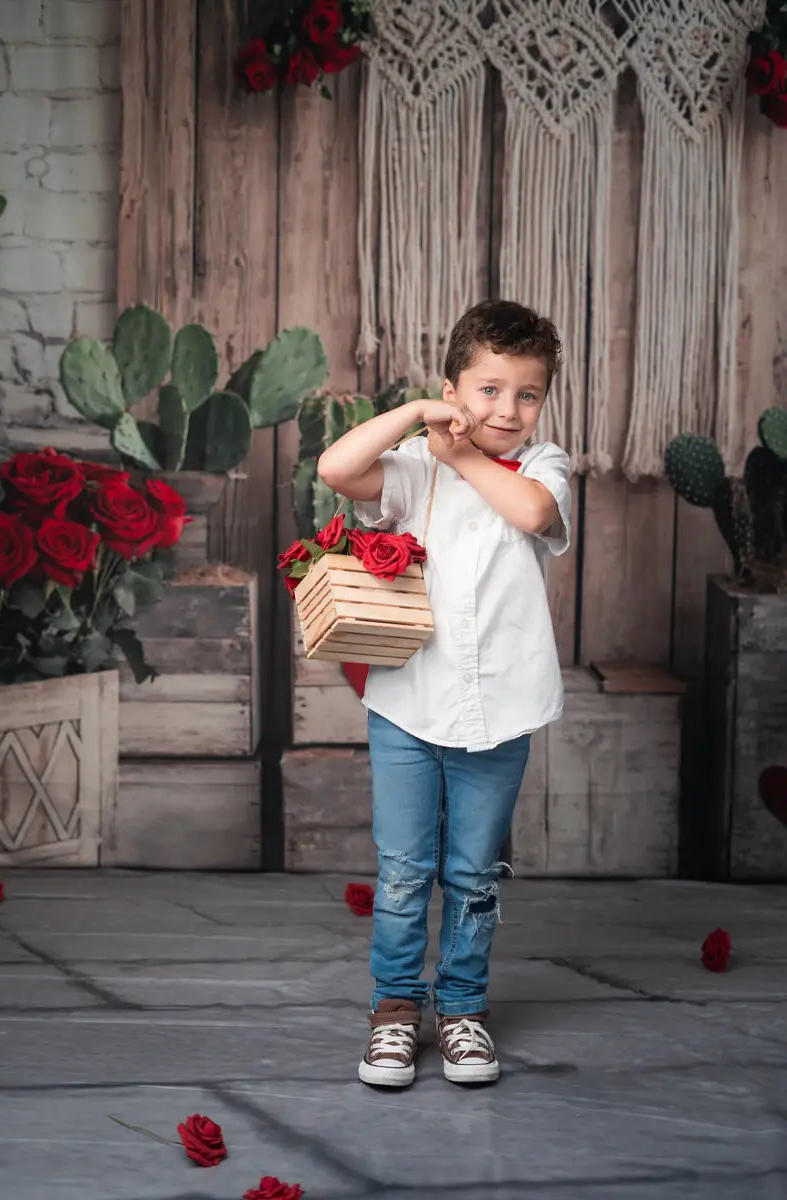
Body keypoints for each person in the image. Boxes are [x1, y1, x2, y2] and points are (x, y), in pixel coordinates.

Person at [317, 299, 571, 1088]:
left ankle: (462, 1010)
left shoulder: (541, 466)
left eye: (525, 394)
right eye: (487, 390)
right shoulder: (415, 466)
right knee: (401, 869)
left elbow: (531, 513)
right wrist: (416, 417)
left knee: (471, 874)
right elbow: (336, 469)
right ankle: (395, 1009)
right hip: (408, 703)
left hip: (500, 711)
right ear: (454, 389)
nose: (506, 409)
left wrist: (461, 454)